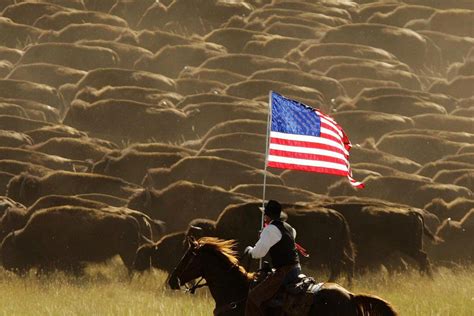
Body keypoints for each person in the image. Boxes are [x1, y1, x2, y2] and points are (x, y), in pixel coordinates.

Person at [244, 200, 301, 316]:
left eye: (265, 214)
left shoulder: (270, 230)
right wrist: (264, 235)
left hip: (283, 273)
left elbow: (258, 253)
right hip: (296, 269)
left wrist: (249, 250)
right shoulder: (290, 228)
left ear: (267, 216)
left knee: (253, 298)